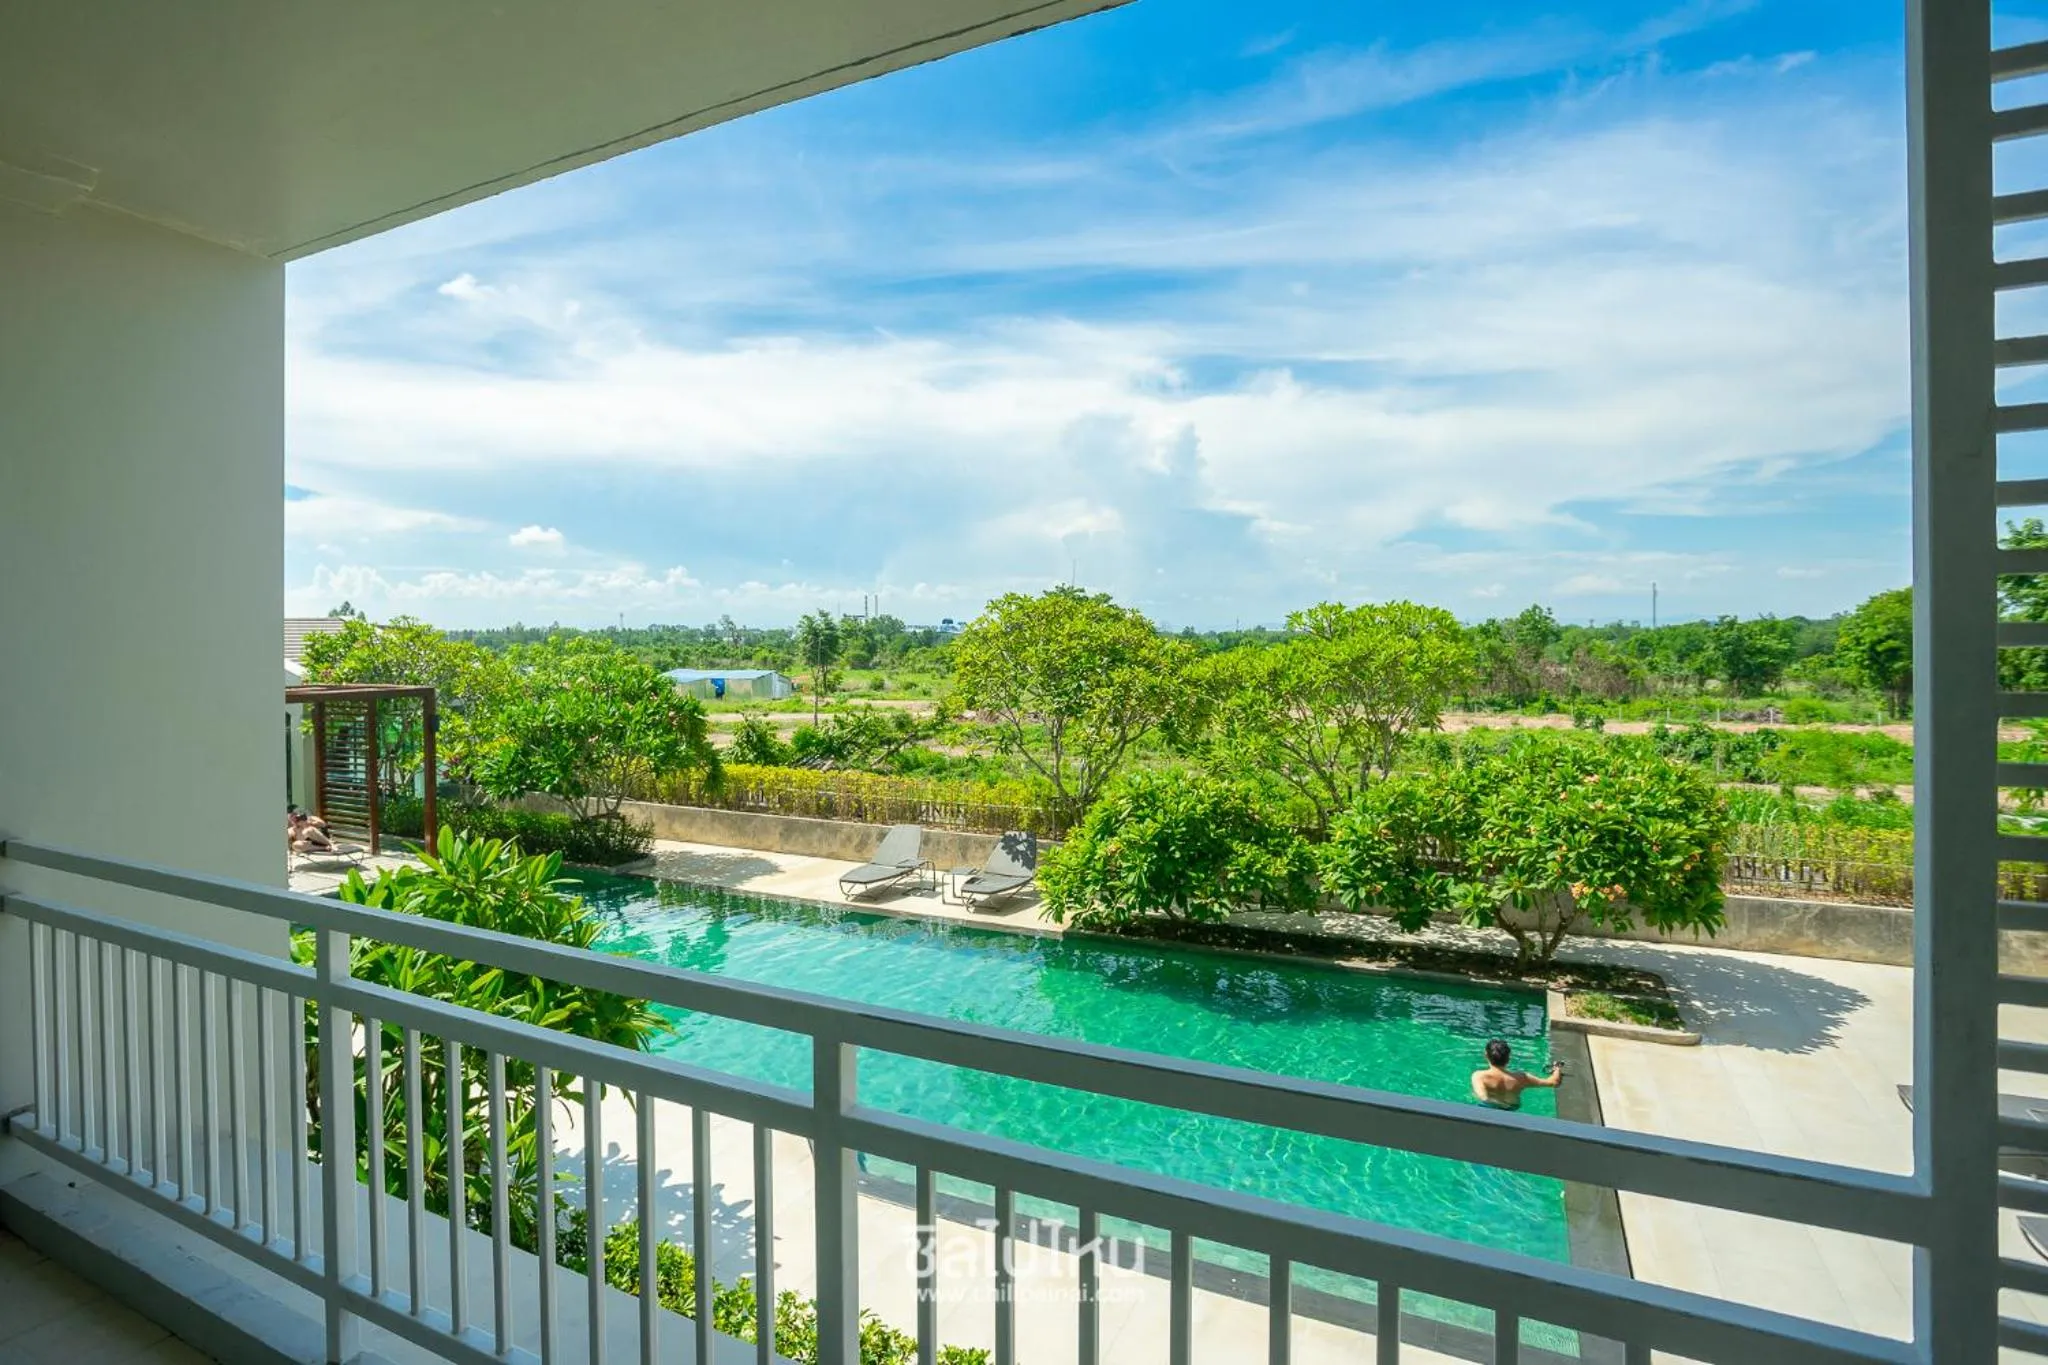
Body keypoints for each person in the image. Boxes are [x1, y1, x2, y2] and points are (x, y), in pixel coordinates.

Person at [1471, 1038, 1562, 1109]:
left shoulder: (1479, 1076)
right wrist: (1557, 1069)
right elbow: (1554, 1082)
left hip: (1488, 1109)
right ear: (1508, 1058)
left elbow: (1483, 1098)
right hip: (1512, 1109)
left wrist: (1500, 1105)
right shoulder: (1522, 1078)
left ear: (1486, 1056)